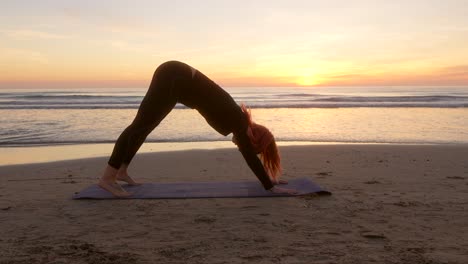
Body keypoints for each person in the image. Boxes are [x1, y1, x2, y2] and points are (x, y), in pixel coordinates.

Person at [98, 60, 298, 197]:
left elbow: (248, 153)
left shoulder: (238, 119)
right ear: (254, 140)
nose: (240, 145)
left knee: (144, 126)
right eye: (253, 148)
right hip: (175, 76)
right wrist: (269, 187)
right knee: (140, 125)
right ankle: (108, 178)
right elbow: (249, 156)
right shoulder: (239, 121)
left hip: (176, 78)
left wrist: (271, 179)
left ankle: (121, 171)